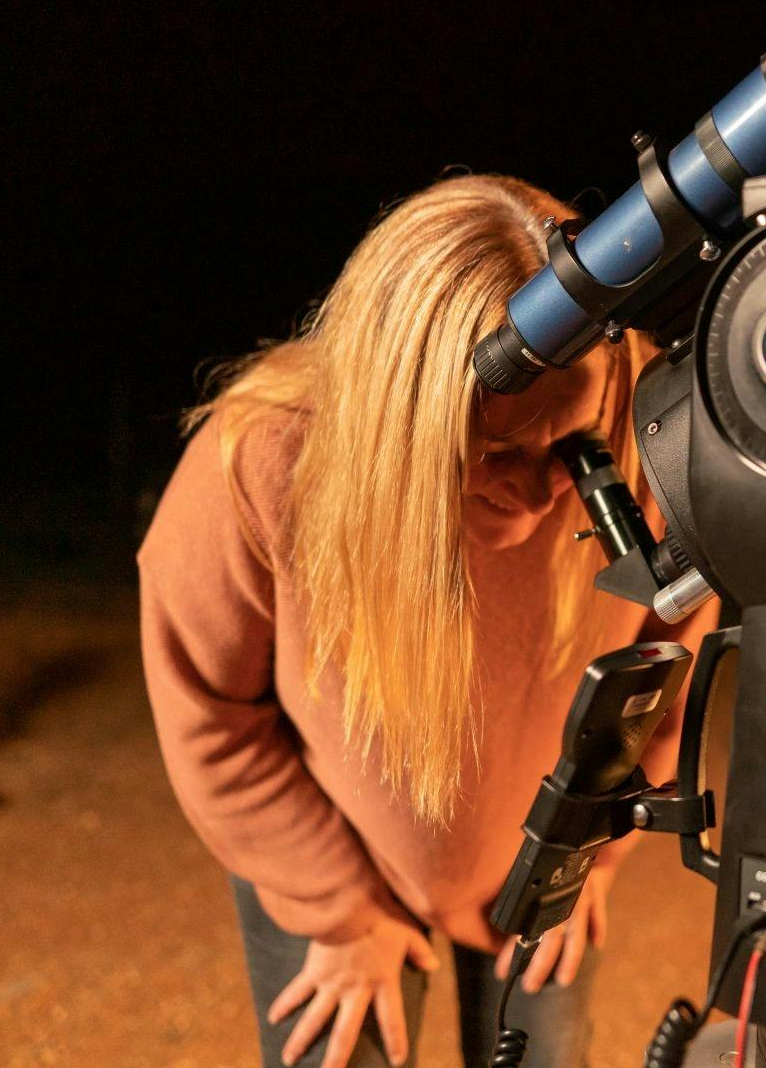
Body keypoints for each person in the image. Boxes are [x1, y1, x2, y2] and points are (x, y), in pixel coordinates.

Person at [138, 173, 716, 1068]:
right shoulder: (264, 461)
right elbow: (207, 708)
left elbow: (666, 659)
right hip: (331, 854)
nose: (531, 497)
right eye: (491, 451)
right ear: (394, 421)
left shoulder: (647, 434)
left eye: (570, 448)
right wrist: (336, 904)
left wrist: (590, 854)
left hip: (546, 852)